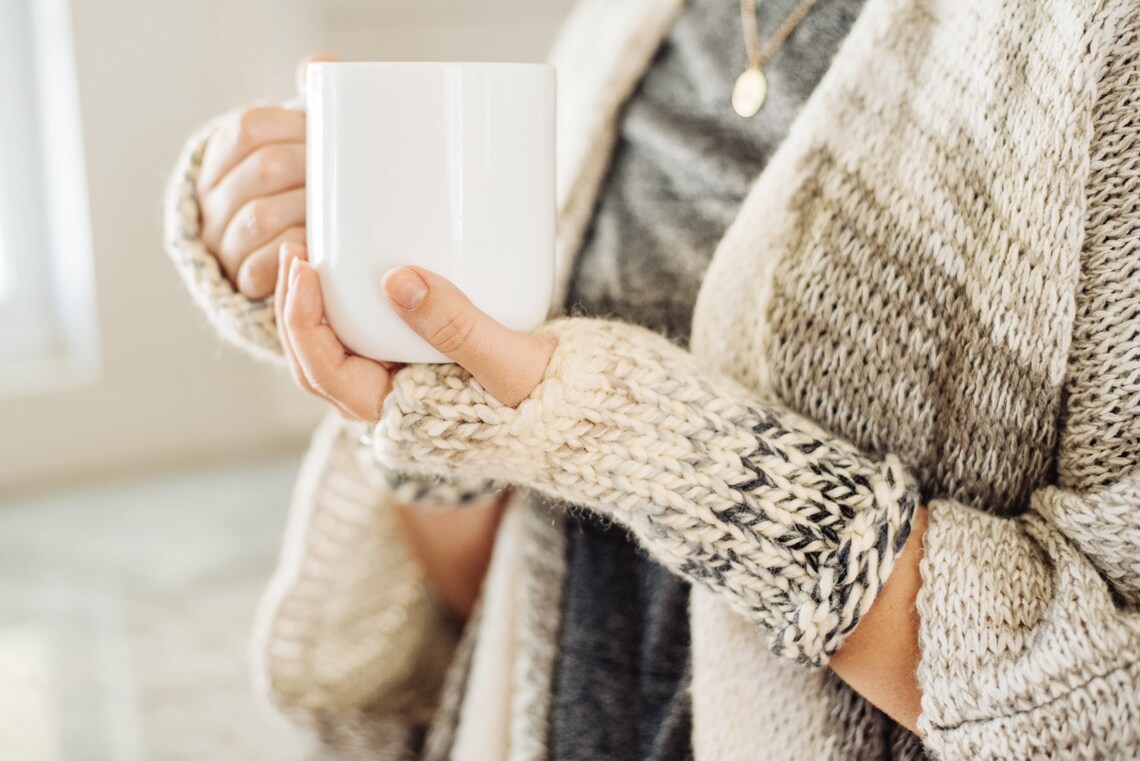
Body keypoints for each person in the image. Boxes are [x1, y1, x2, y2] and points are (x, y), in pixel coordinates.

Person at [163, 0, 1140, 758]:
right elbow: (513, 574)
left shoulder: (1101, 47)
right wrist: (411, 381)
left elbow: (1107, 709)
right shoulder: (642, 21)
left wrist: (643, 440)